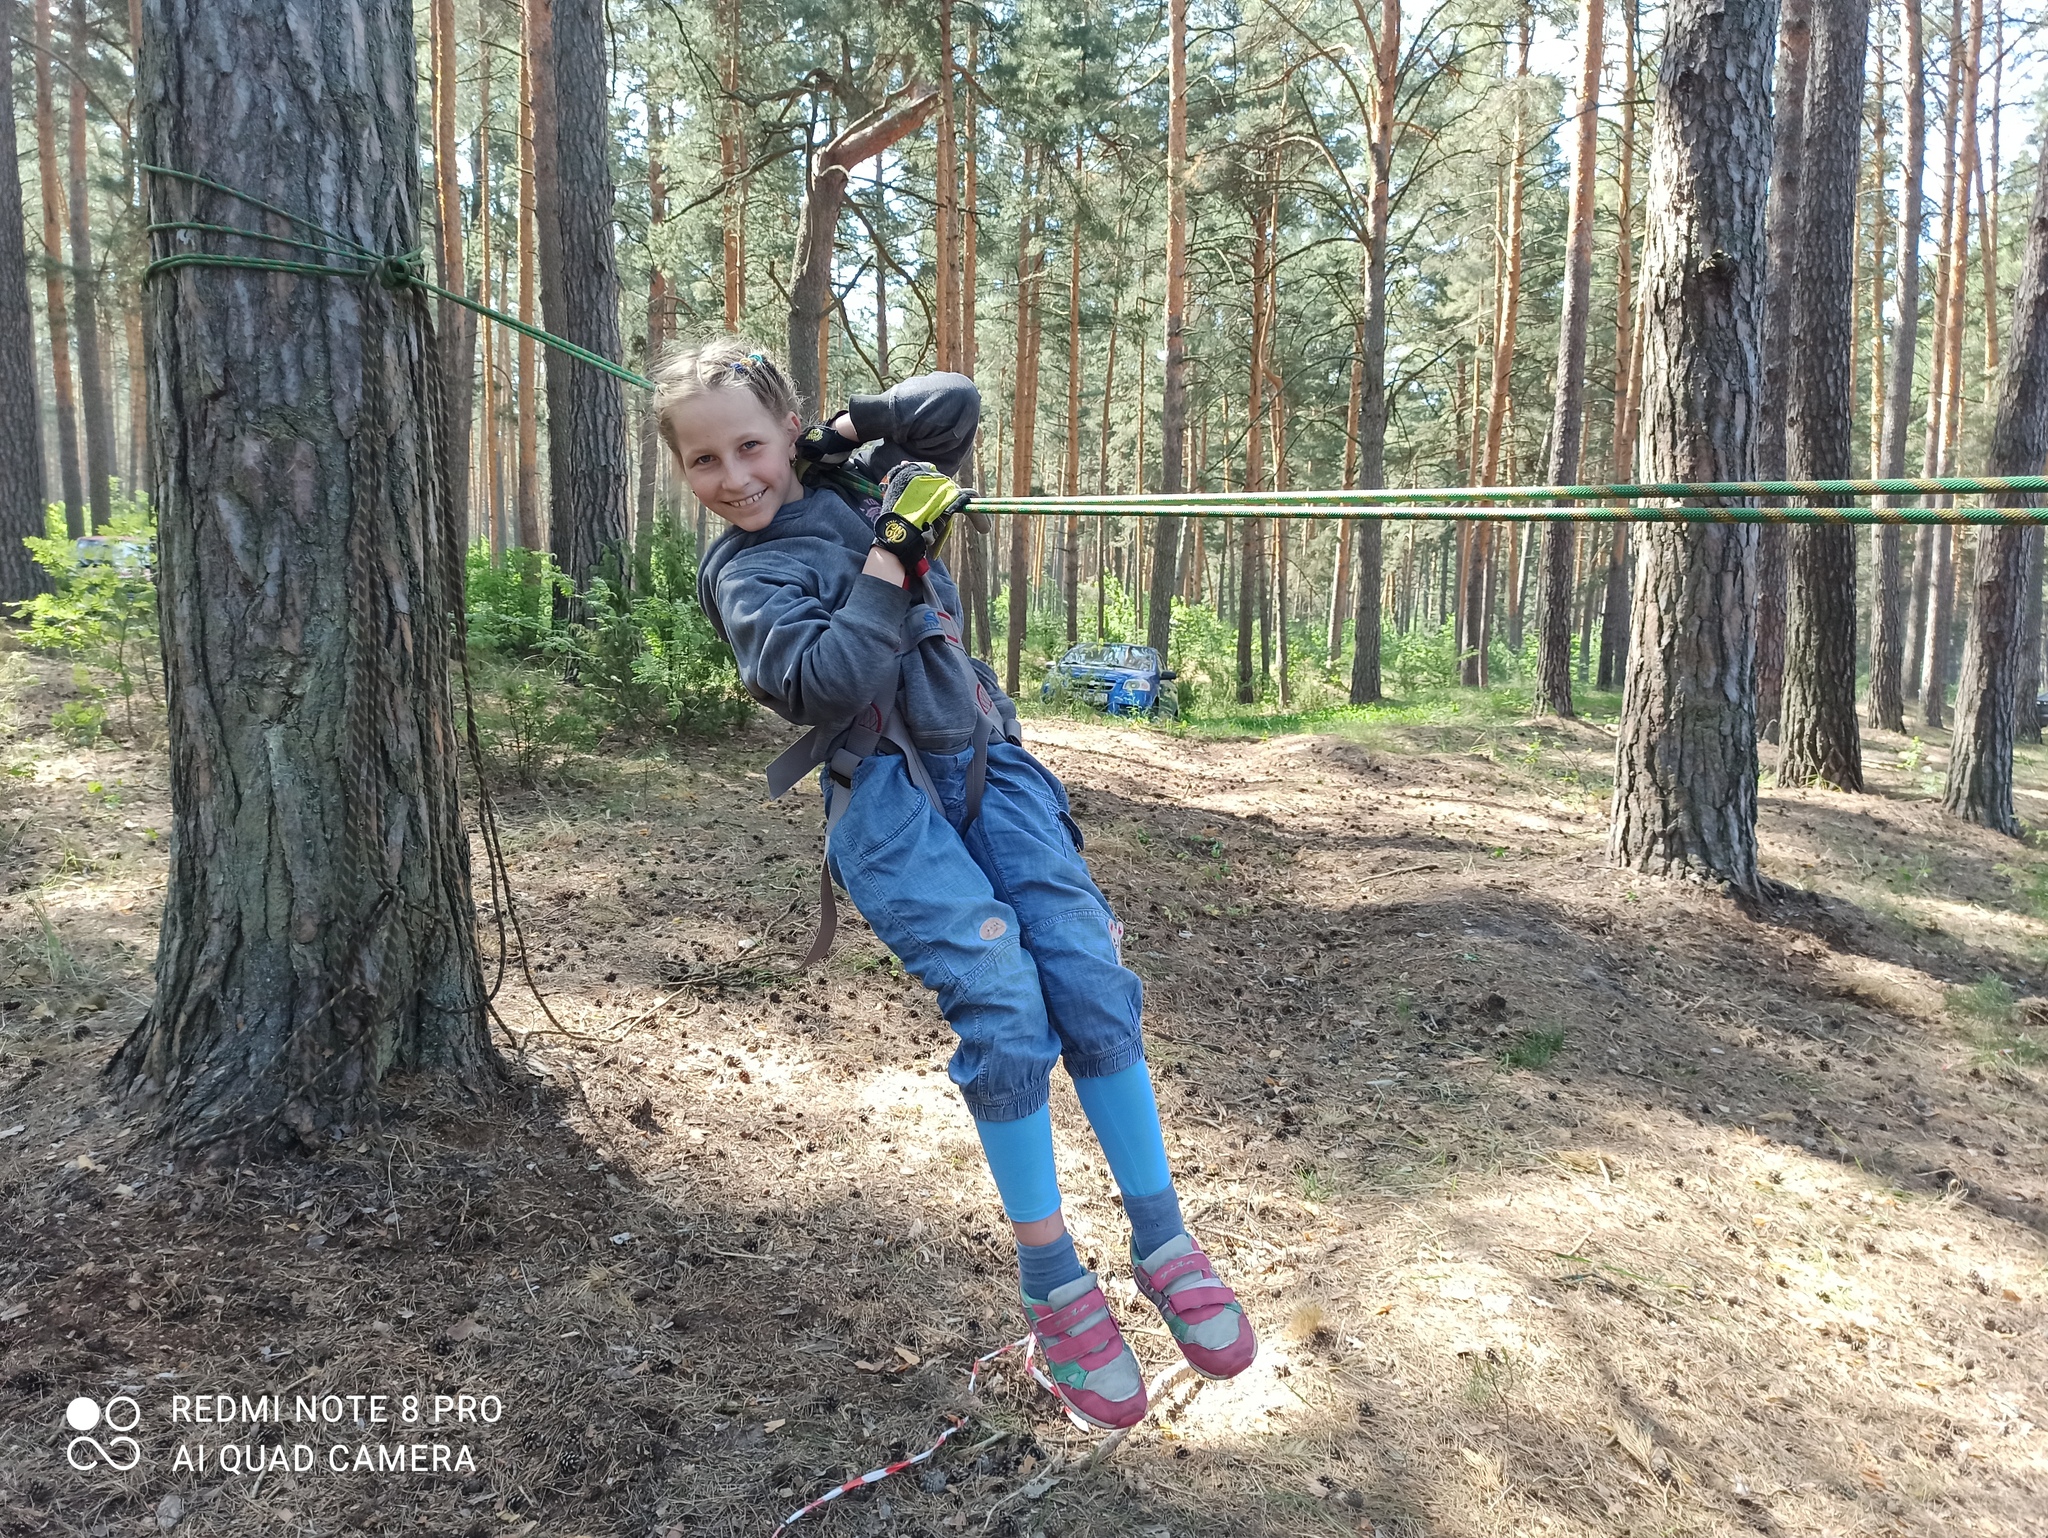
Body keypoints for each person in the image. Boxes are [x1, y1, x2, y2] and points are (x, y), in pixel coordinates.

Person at [658, 336, 1256, 1430]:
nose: (733, 477)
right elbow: (826, 677)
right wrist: (891, 553)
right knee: (1006, 1005)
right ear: (683, 473)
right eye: (703, 461)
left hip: (987, 762)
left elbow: (953, 400)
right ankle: (1053, 1279)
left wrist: (847, 430)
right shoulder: (746, 573)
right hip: (886, 804)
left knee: (1084, 974)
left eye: (750, 445)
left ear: (786, 433)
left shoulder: (831, 470)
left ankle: (1163, 1236)